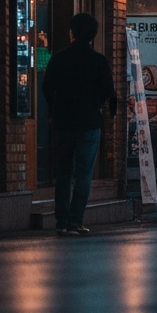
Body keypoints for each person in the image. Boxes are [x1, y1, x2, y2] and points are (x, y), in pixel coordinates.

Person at [42, 13, 117, 236]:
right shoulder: (99, 61)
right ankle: (75, 221)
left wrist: (56, 108)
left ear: (72, 32)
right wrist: (93, 103)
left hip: (64, 122)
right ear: (93, 35)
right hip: (89, 122)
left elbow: (47, 87)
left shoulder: (59, 58)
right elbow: (107, 90)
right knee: (84, 174)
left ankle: (62, 221)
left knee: (63, 172)